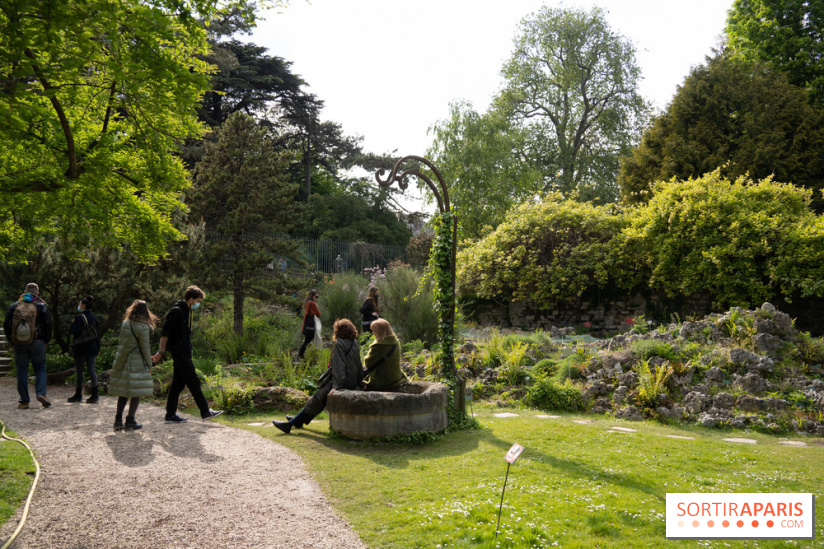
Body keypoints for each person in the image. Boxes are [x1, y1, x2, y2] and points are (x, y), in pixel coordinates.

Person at [273, 318, 362, 434]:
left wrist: (336, 386)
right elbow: (358, 364)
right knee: (317, 400)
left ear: (339, 331)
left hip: (341, 382)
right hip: (351, 381)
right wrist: (360, 382)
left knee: (316, 400)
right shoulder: (355, 343)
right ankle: (298, 421)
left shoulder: (340, 343)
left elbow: (338, 366)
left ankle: (290, 425)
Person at [151, 286, 222, 423]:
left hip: (185, 352)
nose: (198, 304)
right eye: (198, 301)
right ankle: (205, 411)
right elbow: (165, 333)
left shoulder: (187, 312)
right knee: (194, 381)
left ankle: (170, 415)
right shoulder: (177, 311)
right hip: (180, 353)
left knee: (177, 384)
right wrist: (161, 351)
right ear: (191, 299)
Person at [108, 300, 157, 431]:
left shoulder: (125, 323)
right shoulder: (143, 327)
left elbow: (122, 343)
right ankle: (130, 419)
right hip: (136, 362)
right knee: (137, 391)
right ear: (146, 311)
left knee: (123, 391)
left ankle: (118, 420)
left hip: (123, 359)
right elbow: (145, 349)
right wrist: (149, 365)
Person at [4, 283, 53, 409]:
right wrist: (46, 340)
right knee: (40, 368)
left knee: (22, 370)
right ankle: (41, 394)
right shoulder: (41, 306)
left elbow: (6, 324)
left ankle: (24, 401)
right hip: (38, 341)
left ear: (25, 291)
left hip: (20, 342)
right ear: (37, 293)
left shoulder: (15, 306)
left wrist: (12, 341)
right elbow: (48, 324)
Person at [68, 295, 101, 403]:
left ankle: (78, 394)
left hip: (81, 347)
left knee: (80, 371)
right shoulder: (94, 317)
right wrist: (98, 347)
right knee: (92, 370)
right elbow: (97, 333)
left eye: (80, 304)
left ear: (84, 306)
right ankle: (95, 395)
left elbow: (75, 332)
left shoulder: (79, 317)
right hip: (93, 346)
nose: (79, 306)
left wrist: (72, 324)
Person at [363, 319, 407, 392]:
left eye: (374, 331)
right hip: (396, 378)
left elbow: (368, 363)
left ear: (380, 331)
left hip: (381, 381)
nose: (373, 333)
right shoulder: (396, 342)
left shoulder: (378, 346)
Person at [297, 289, 321, 359]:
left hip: (306, 325)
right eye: (316, 297)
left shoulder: (307, 303)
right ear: (312, 296)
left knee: (307, 341)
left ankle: (301, 355)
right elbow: (319, 314)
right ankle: (301, 355)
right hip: (310, 326)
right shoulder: (313, 304)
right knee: (309, 341)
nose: (317, 298)